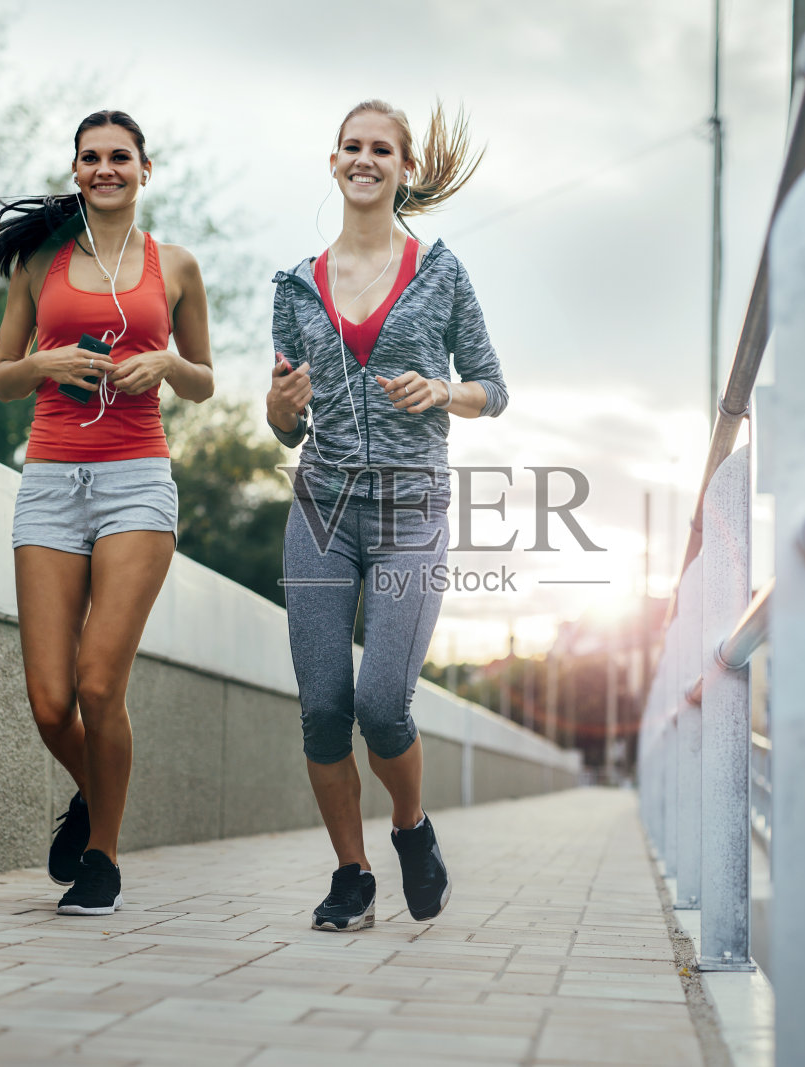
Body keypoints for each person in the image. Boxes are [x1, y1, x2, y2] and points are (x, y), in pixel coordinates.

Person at [266, 100, 508, 932]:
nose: (364, 159)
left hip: (412, 504)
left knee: (382, 702)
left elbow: (493, 387)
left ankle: (411, 828)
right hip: (322, 506)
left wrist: (443, 389)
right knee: (323, 705)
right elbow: (283, 422)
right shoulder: (296, 284)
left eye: (381, 149)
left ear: (403, 169)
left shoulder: (441, 273)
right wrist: (277, 403)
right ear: (333, 163)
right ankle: (351, 874)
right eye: (351, 147)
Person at [0, 110, 214, 915]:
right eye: (90, 157)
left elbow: (204, 380)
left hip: (137, 480)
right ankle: (92, 794)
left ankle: (101, 856)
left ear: (147, 168)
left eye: (120, 156)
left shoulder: (174, 266)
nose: (105, 168)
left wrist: (166, 362)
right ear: (75, 172)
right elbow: (3, 378)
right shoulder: (38, 264)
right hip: (49, 481)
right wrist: (45, 359)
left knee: (99, 682)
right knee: (49, 700)